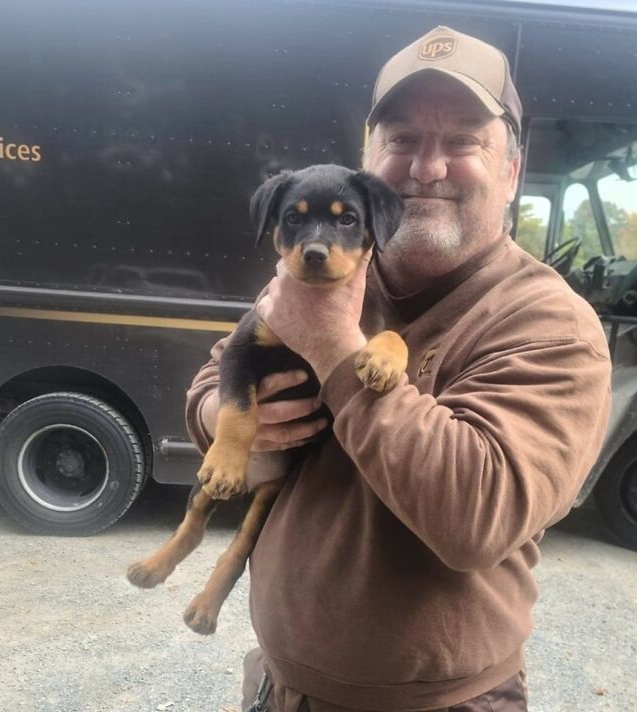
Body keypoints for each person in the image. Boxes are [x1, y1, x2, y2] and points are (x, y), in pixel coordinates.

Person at [185, 25, 612, 712]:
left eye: (463, 141)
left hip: (438, 702)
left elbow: (478, 517)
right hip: (282, 685)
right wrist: (228, 422)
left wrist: (333, 349)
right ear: (369, 160)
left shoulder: (549, 325)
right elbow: (215, 380)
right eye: (403, 139)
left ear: (511, 172)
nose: (428, 167)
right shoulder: (330, 269)